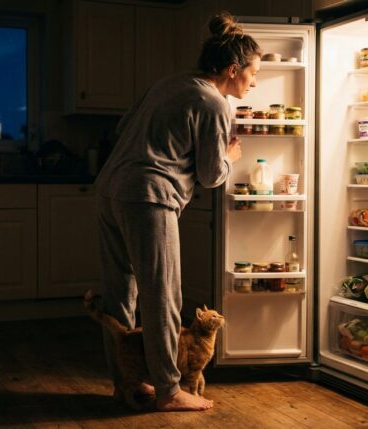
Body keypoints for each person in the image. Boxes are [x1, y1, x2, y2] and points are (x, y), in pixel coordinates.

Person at [94, 12, 261, 412]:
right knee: (162, 294)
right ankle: (168, 390)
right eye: (254, 72)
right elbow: (210, 175)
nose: (255, 81)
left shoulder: (171, 83)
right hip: (149, 196)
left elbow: (123, 129)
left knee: (120, 293)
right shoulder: (215, 103)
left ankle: (126, 383)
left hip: (109, 188)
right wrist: (229, 156)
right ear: (233, 69)